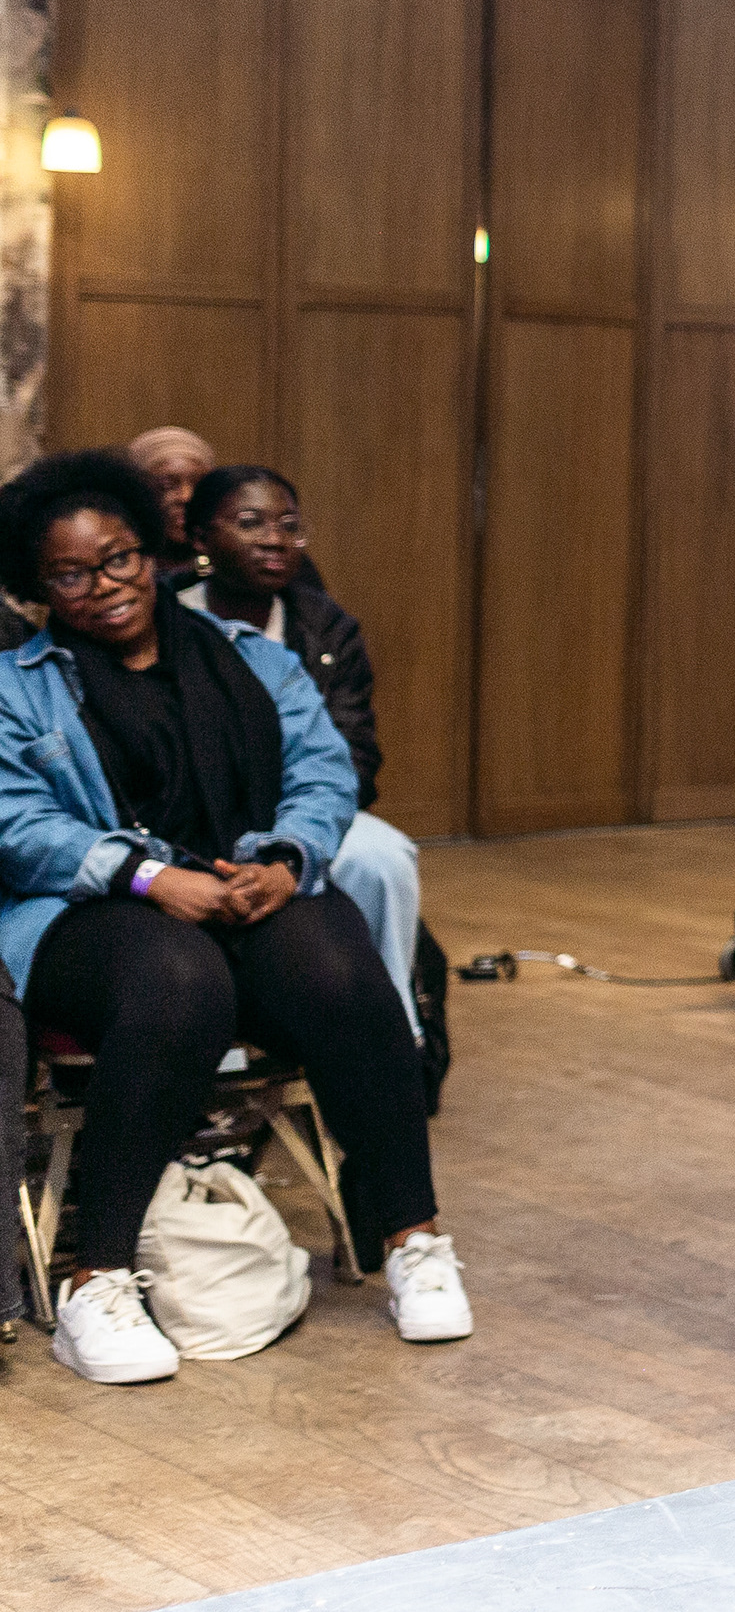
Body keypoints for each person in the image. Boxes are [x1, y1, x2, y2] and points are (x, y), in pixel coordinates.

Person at [0, 450, 469, 1384]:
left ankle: (412, 1239)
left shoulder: (255, 659)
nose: (105, 585)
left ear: (152, 552)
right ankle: (98, 1282)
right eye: (72, 574)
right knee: (179, 979)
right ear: (39, 587)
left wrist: (288, 861)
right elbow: (17, 824)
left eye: (119, 559)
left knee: (338, 965)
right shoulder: (18, 684)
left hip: (244, 881)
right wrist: (145, 877)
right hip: (85, 911)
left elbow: (325, 773)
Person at [177, 467, 424, 1042]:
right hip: (189, 819)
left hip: (305, 807)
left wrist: (297, 827)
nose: (274, 540)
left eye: (289, 525)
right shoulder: (165, 613)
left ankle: (390, 1031)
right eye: (250, 523)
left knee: (382, 857)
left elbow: (355, 753)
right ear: (200, 538)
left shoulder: (325, 627)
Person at [125, 425, 216, 582]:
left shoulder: (230, 574)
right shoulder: (118, 576)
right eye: (167, 486)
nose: (186, 497)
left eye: (199, 485)